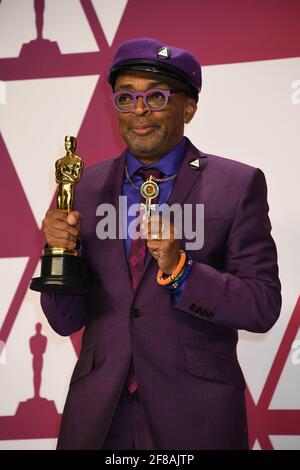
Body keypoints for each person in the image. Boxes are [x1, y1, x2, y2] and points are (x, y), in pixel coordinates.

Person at [40, 37, 281, 450]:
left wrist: (181, 269)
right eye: (126, 97)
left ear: (188, 107)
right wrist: (59, 254)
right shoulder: (82, 187)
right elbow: (64, 320)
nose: (139, 111)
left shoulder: (236, 185)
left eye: (156, 97)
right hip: (99, 417)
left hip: (197, 414)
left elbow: (261, 306)